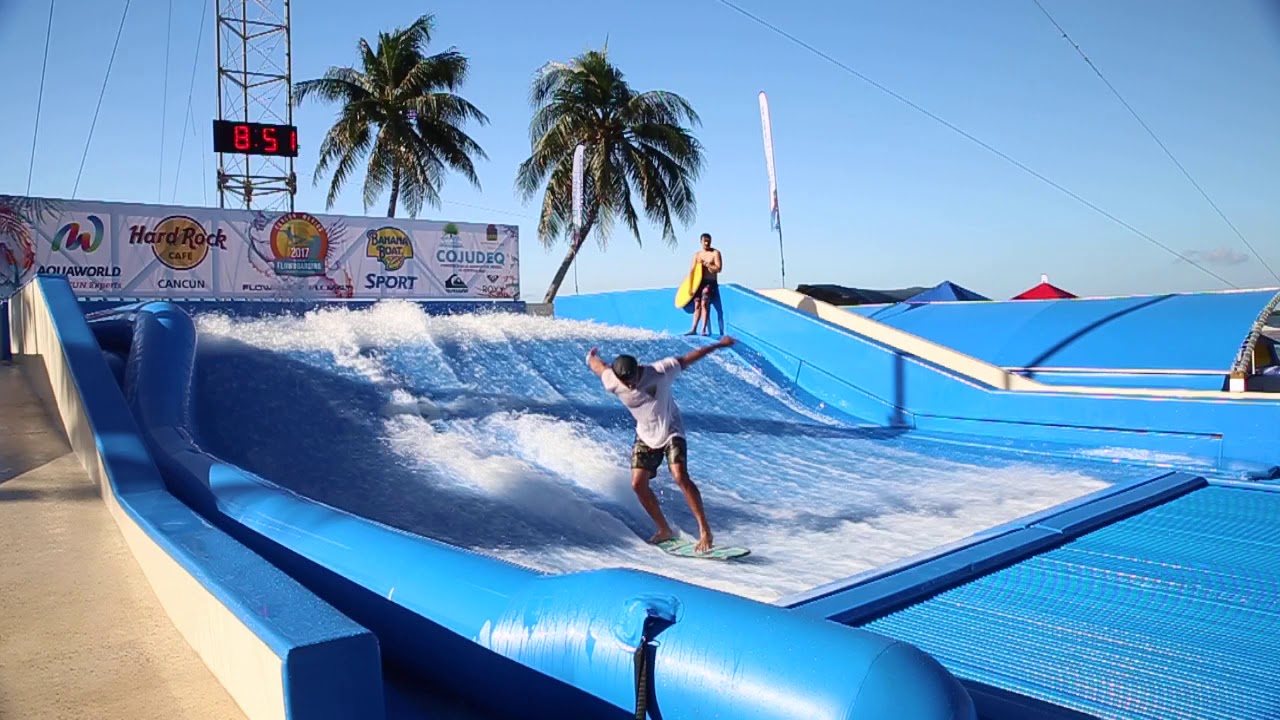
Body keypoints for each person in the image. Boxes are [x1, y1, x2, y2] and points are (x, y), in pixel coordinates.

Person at [586, 336, 736, 553]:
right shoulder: (613, 381)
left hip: (671, 428)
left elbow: (688, 358)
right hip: (645, 434)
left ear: (639, 368)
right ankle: (663, 529)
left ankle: (705, 531)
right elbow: (599, 367)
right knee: (637, 485)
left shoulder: (660, 371)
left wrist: (718, 345)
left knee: (679, 476)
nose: (631, 385)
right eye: (626, 382)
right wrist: (590, 356)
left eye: (633, 379)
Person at [686, 233, 723, 336]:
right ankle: (693, 329)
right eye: (704, 241)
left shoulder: (715, 253)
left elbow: (719, 268)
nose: (706, 243)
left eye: (708, 241)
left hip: (710, 283)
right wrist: (690, 287)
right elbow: (692, 271)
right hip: (699, 283)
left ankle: (703, 329)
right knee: (697, 304)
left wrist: (708, 264)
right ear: (701, 242)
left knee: (704, 303)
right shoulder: (697, 255)